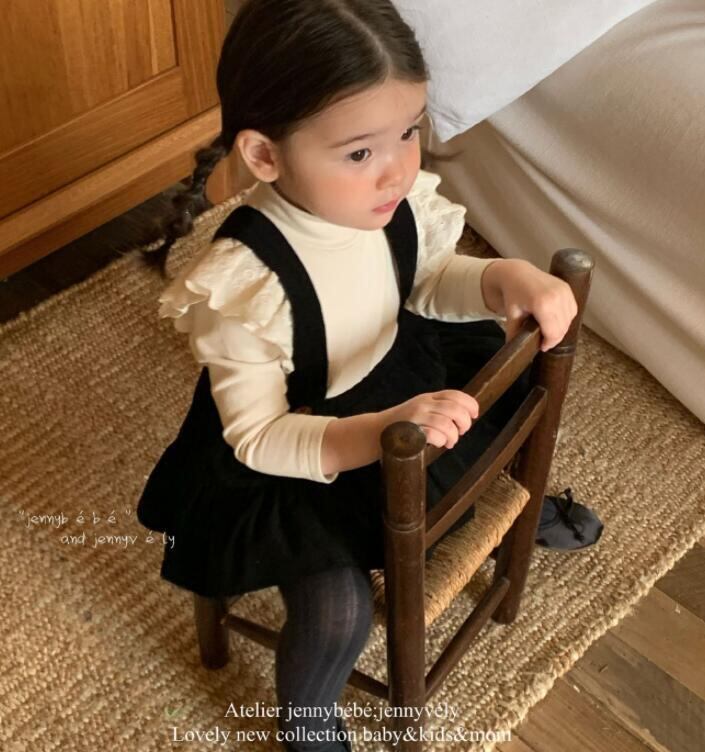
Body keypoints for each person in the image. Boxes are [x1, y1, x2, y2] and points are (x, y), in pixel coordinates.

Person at [136, 2, 603, 750]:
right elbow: (258, 436)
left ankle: (502, 505)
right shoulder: (244, 284)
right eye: (359, 153)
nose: (397, 168)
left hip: (399, 375)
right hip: (302, 448)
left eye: (409, 132)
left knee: (489, 415)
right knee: (337, 612)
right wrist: (376, 432)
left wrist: (501, 277)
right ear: (264, 156)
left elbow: (427, 278)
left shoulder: (395, 201)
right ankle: (307, 722)